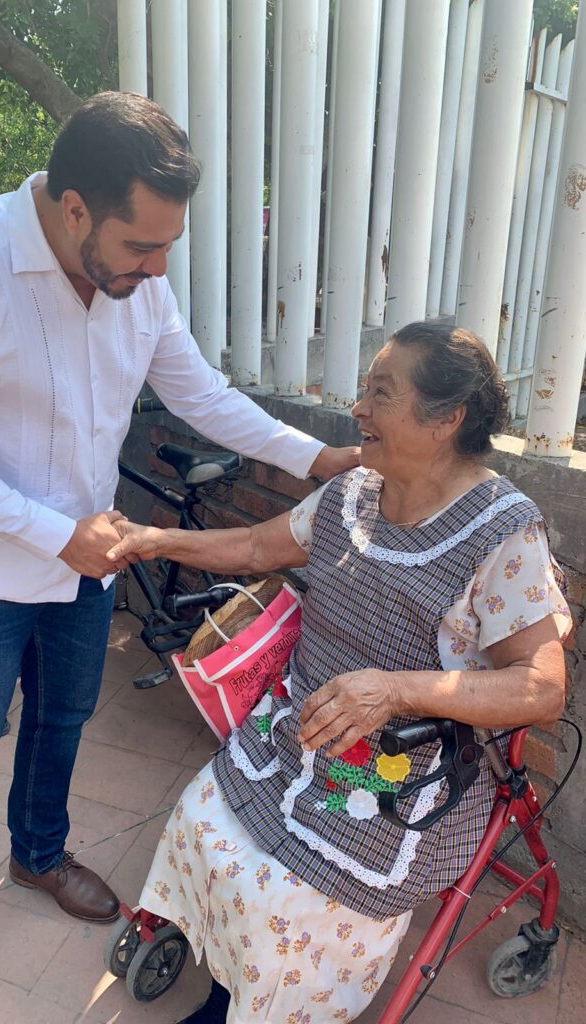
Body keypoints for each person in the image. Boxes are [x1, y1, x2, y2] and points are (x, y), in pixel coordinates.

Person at [0, 90, 358, 1016]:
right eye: (143, 246)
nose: (158, 267)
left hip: (89, 559)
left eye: (168, 246)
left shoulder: (136, 279)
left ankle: (38, 853)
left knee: (63, 717)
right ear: (74, 210)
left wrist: (315, 456)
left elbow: (201, 393)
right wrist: (57, 534)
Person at [106, 322, 570, 1024]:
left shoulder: (503, 531)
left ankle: (251, 1002)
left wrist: (395, 689)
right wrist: (153, 539)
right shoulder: (354, 491)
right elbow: (257, 546)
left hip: (399, 774)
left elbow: (542, 687)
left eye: (381, 393)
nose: (358, 409)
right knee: (202, 818)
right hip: (298, 732)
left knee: (287, 897)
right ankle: (230, 978)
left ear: (446, 418)